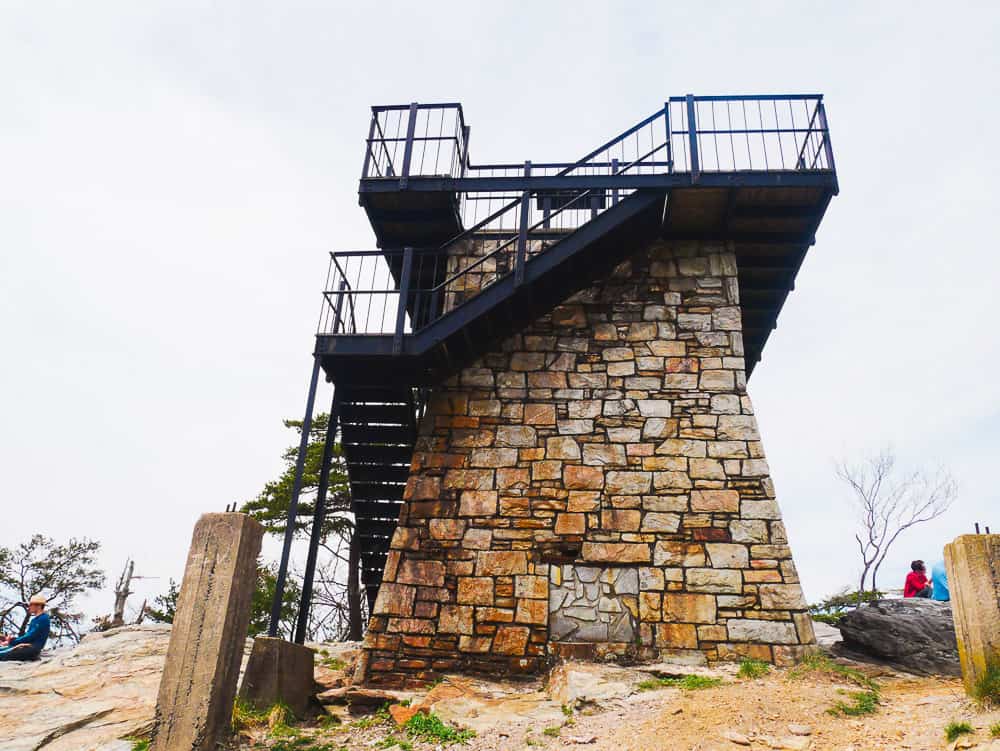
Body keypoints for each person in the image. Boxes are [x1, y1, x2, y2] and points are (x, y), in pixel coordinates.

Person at [0, 595, 51, 661]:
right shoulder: (35, 620)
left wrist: (13, 641)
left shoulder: (43, 619)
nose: (29, 607)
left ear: (39, 606)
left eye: (31, 605)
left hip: (31, 649)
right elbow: (27, 636)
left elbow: (30, 636)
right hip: (27, 647)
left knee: (2, 655)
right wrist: (13, 640)